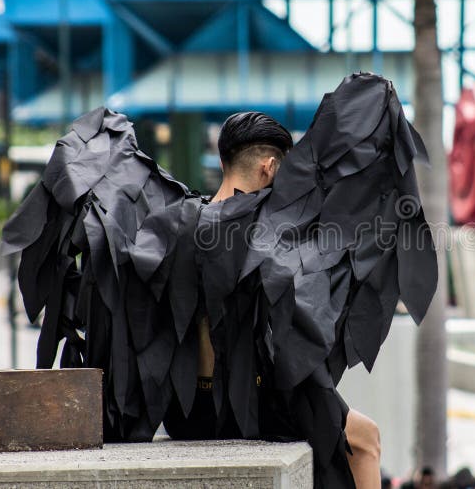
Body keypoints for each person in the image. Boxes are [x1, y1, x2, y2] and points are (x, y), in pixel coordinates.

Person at [162, 112, 381, 489]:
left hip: (182, 410)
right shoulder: (260, 238)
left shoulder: (177, 224)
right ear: (270, 167)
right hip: (247, 410)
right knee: (365, 440)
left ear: (222, 160)